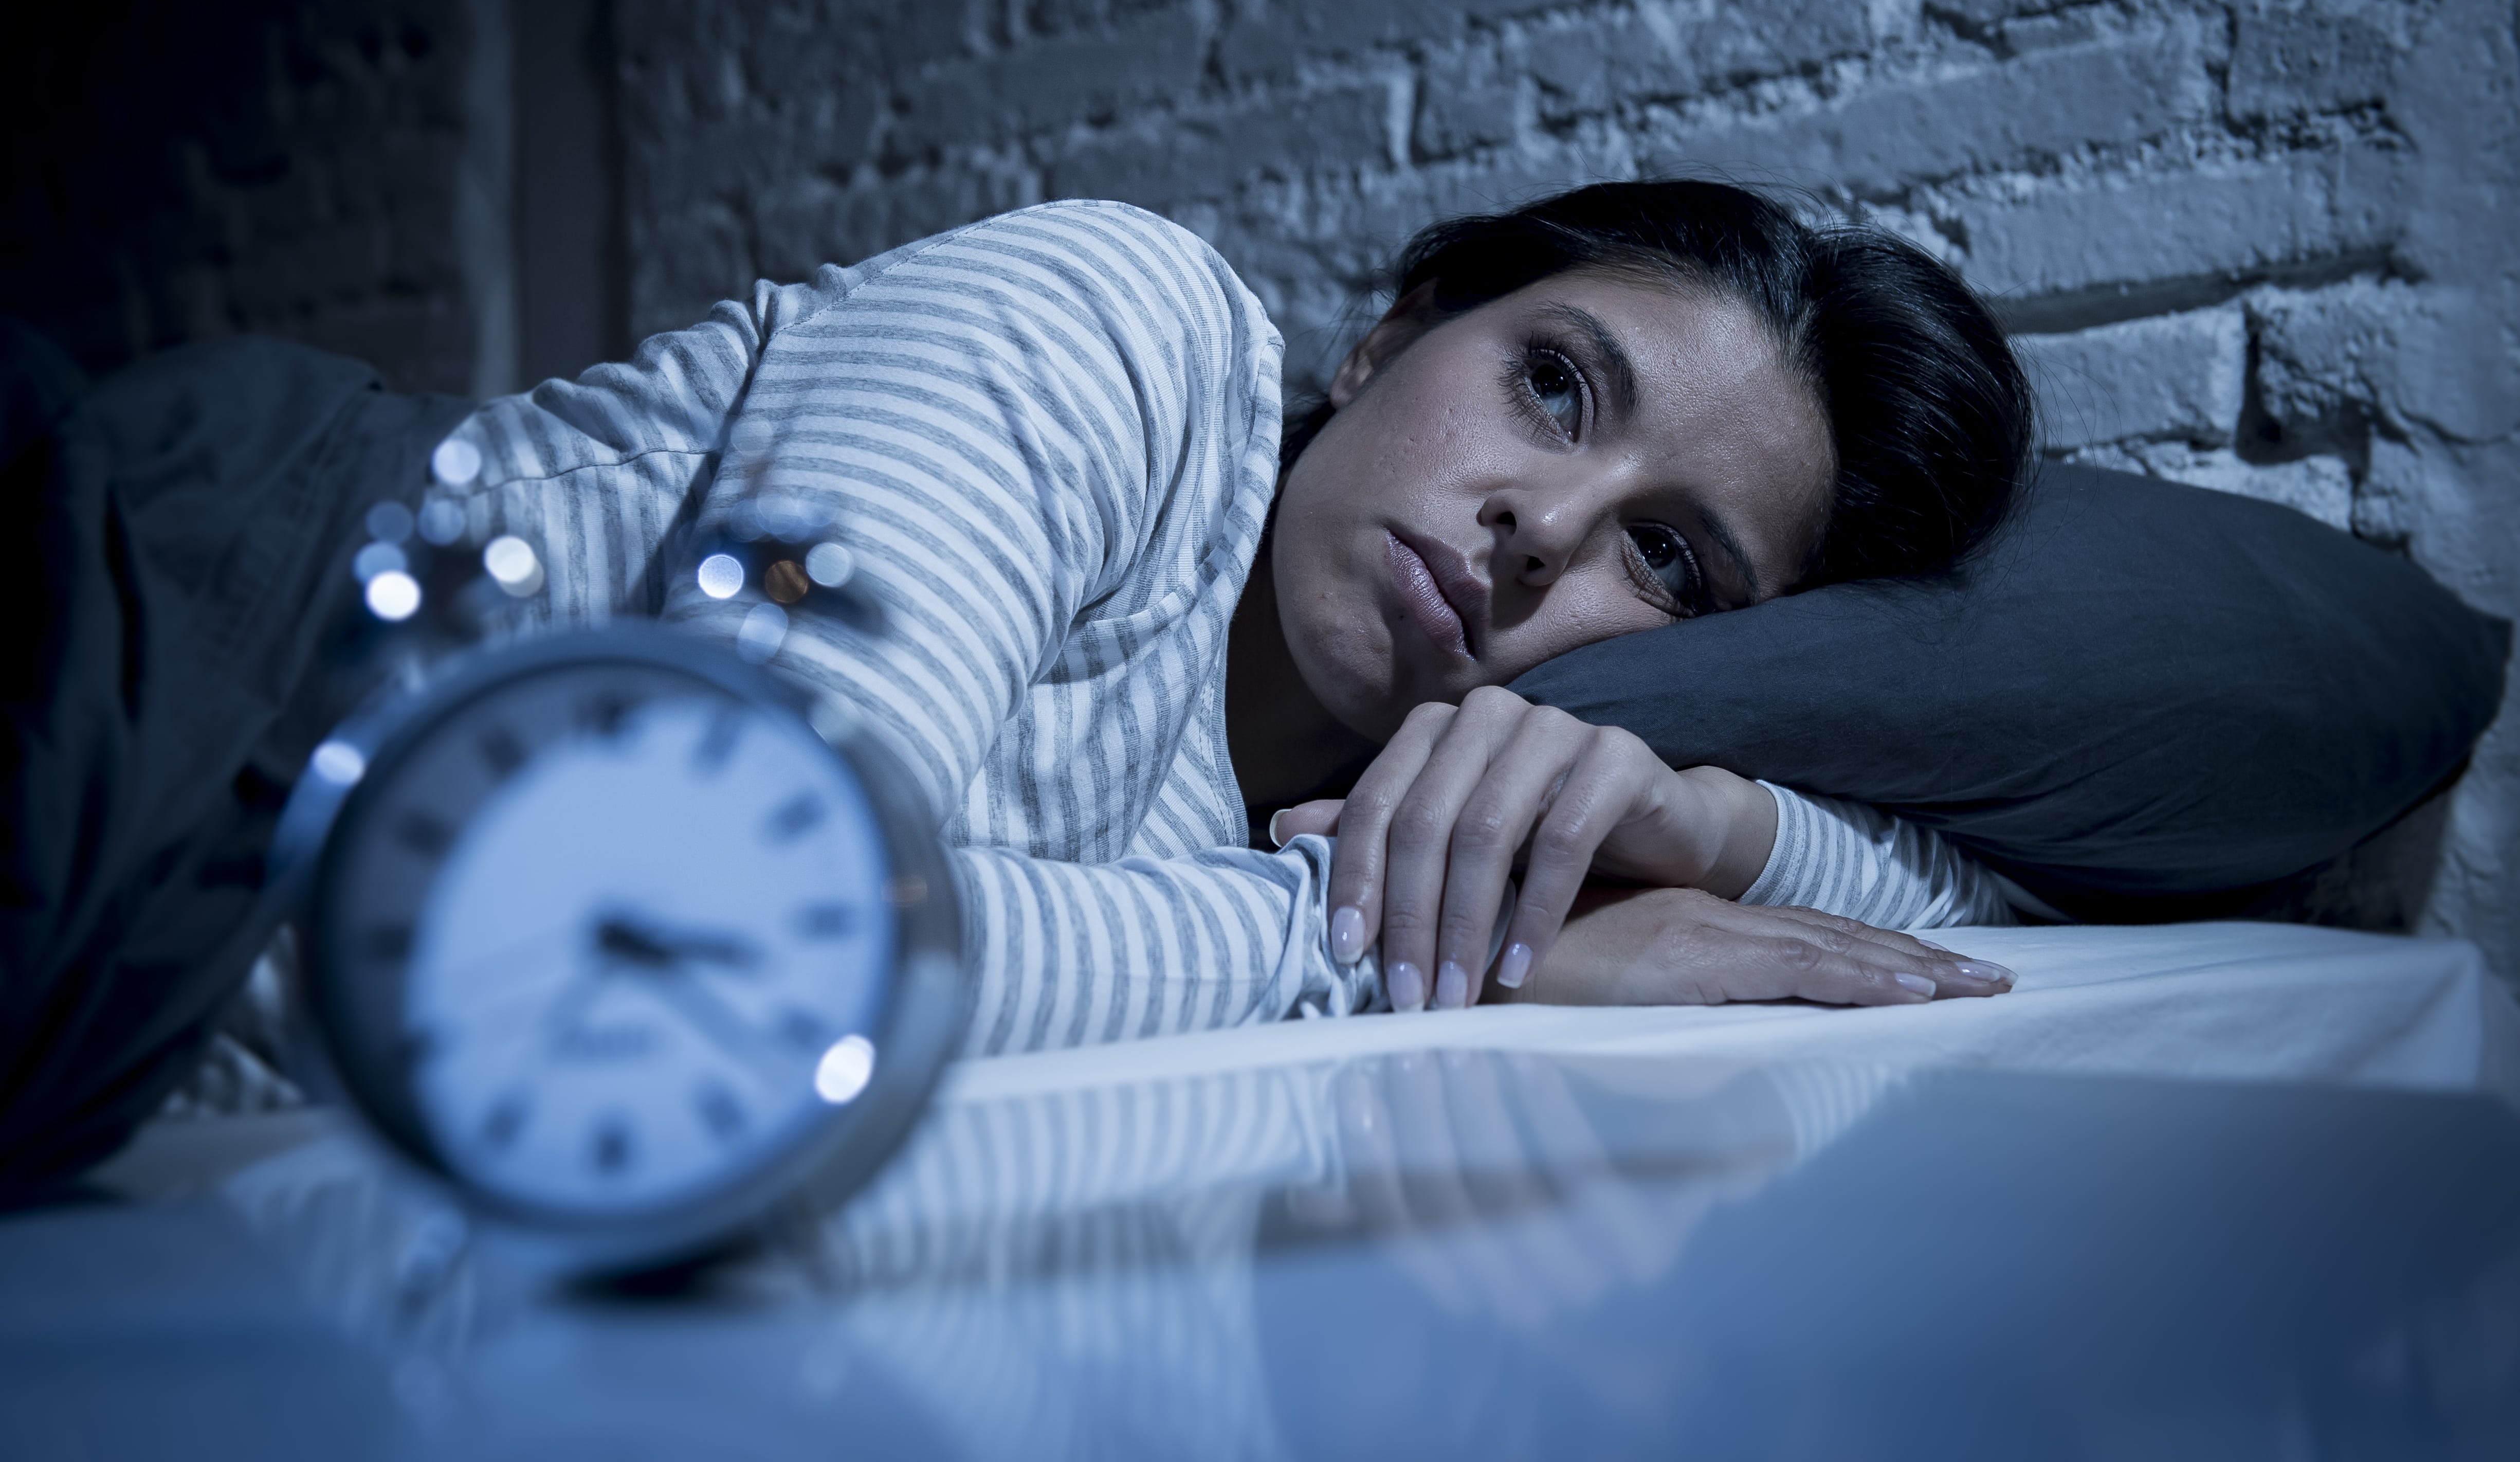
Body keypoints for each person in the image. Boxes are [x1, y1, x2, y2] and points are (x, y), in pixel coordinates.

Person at [448, 179, 2036, 1055]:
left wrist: (1705, 823)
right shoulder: (1116, 327)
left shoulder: (1427, 782)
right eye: (1551, 387)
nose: (1543, 533)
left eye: (1672, 560)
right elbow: (704, 926)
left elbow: (1967, 915)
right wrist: (1433, 954)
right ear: (1388, 338)